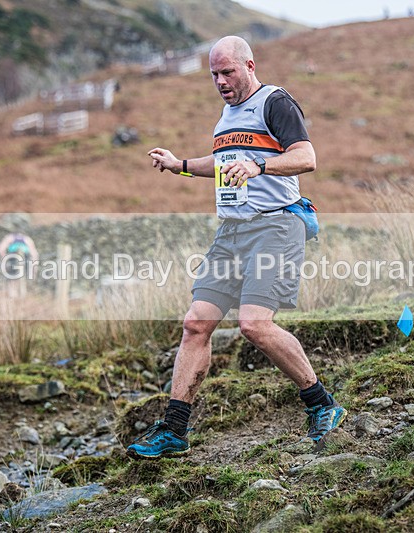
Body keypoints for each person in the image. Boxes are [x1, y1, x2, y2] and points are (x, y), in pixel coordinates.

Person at [127, 35, 346, 459]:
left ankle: (322, 405)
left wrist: (260, 163)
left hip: (276, 226)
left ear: (249, 64)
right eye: (214, 74)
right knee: (196, 323)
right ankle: (174, 430)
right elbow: (225, 164)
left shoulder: (274, 102)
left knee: (253, 325)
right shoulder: (226, 117)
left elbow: (307, 156)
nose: (220, 81)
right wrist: (181, 166)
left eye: (227, 71)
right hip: (231, 232)